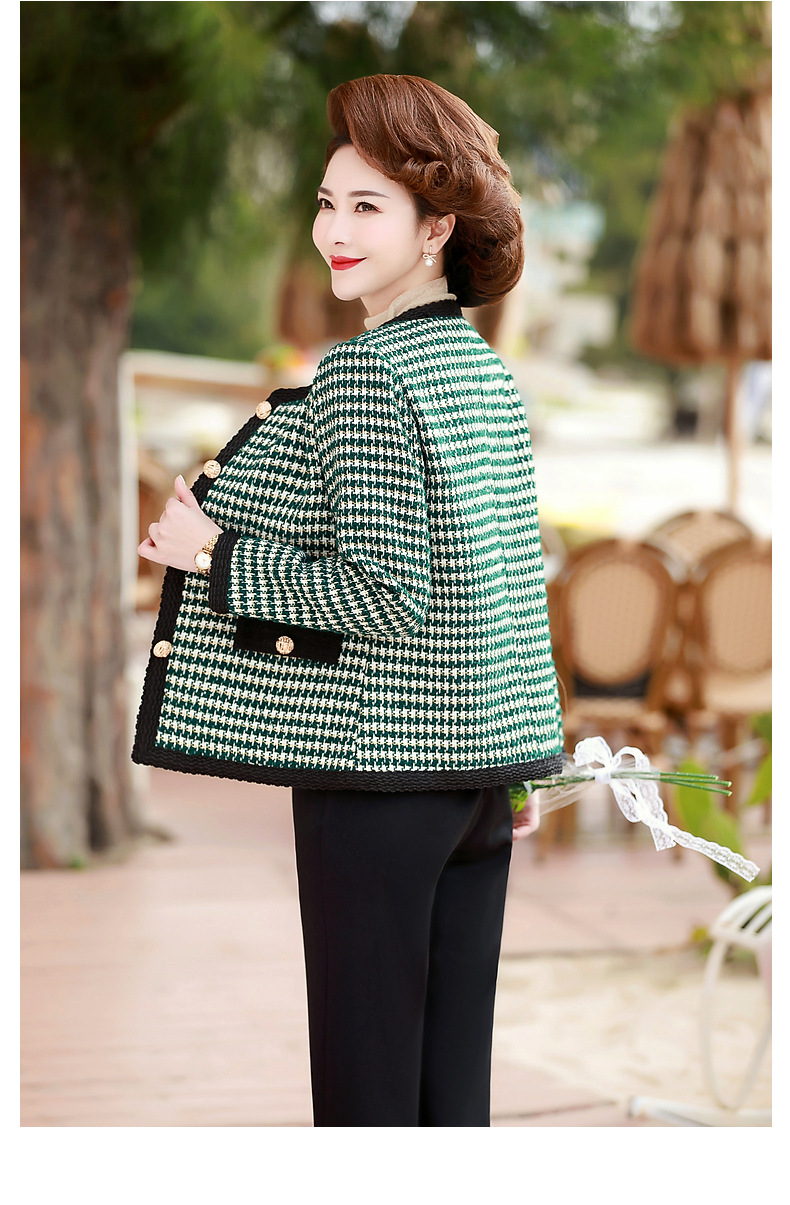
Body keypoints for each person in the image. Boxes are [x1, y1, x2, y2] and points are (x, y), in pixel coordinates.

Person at [133, 73, 564, 1127]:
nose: (334, 230)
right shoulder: (478, 368)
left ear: (436, 227)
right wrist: (516, 757)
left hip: (377, 780)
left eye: (368, 206)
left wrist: (212, 552)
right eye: (328, 202)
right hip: (472, 776)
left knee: (367, 1098)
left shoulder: (367, 374)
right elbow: (506, 582)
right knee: (450, 1097)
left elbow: (384, 593)